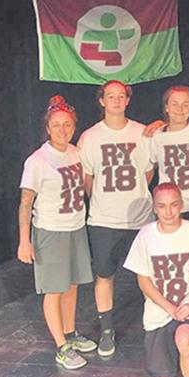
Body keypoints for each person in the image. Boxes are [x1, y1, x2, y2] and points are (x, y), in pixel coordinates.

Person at [18, 96, 96, 370]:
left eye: (67, 125)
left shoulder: (76, 153)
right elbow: (26, 203)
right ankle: (61, 347)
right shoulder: (37, 161)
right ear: (48, 128)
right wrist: (24, 241)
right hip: (50, 232)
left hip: (75, 228)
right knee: (54, 290)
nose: (62, 130)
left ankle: (71, 333)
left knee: (72, 285)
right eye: (56, 125)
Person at [78, 80, 154, 358]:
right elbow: (88, 179)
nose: (116, 101)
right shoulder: (90, 137)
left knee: (149, 275)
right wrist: (105, 201)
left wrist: (133, 195)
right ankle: (107, 330)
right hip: (103, 219)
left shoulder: (141, 133)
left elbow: (147, 172)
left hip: (139, 217)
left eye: (121, 96)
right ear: (101, 101)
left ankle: (155, 327)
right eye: (111, 96)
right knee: (104, 275)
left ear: (127, 100)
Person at [123, 183, 189, 377]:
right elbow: (144, 281)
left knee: (184, 338)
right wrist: (169, 308)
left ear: (181, 205)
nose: (169, 212)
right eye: (162, 206)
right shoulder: (146, 236)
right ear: (154, 208)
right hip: (159, 313)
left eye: (173, 205)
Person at [148, 85, 189, 234]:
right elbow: (150, 169)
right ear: (166, 107)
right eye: (175, 104)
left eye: (185, 104)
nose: (180, 109)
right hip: (168, 209)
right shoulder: (157, 136)